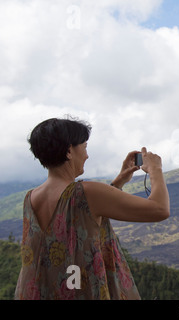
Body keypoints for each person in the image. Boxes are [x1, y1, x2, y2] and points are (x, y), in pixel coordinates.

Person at [14, 117, 170, 300]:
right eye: (84, 147)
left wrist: (119, 181)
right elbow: (159, 209)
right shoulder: (85, 192)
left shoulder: (30, 198)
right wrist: (156, 169)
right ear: (69, 151)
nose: (87, 155)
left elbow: (81, 215)